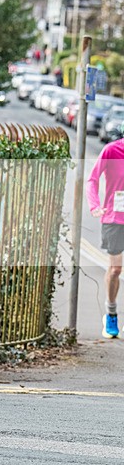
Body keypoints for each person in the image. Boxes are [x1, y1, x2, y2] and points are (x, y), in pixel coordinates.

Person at [87, 135, 124, 338]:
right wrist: (94, 205)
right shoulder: (112, 151)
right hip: (114, 219)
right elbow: (92, 178)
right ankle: (110, 313)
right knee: (116, 269)